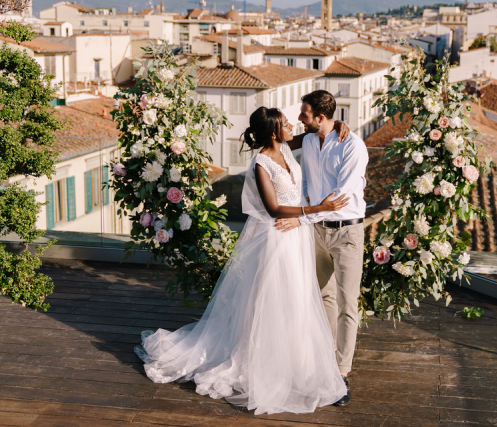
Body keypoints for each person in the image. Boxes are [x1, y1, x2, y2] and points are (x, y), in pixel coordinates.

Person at [135, 107, 350, 415]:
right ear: (275, 131)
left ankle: (297, 360)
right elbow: (275, 209)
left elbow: (313, 134)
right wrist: (318, 208)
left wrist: (335, 124)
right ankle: (266, 362)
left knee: (298, 298)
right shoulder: (261, 163)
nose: (292, 125)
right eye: (286, 123)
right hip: (275, 238)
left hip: (296, 238)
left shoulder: (287, 146)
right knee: (273, 300)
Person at [275, 90, 369, 407]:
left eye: (305, 113)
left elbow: (341, 196)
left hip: (347, 232)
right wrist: (306, 215)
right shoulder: (311, 141)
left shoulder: (353, 145)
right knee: (323, 295)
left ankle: (341, 373)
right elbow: (307, 187)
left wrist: (302, 219)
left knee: (347, 303)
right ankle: (326, 359)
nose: (300, 118)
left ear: (320, 117)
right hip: (317, 231)